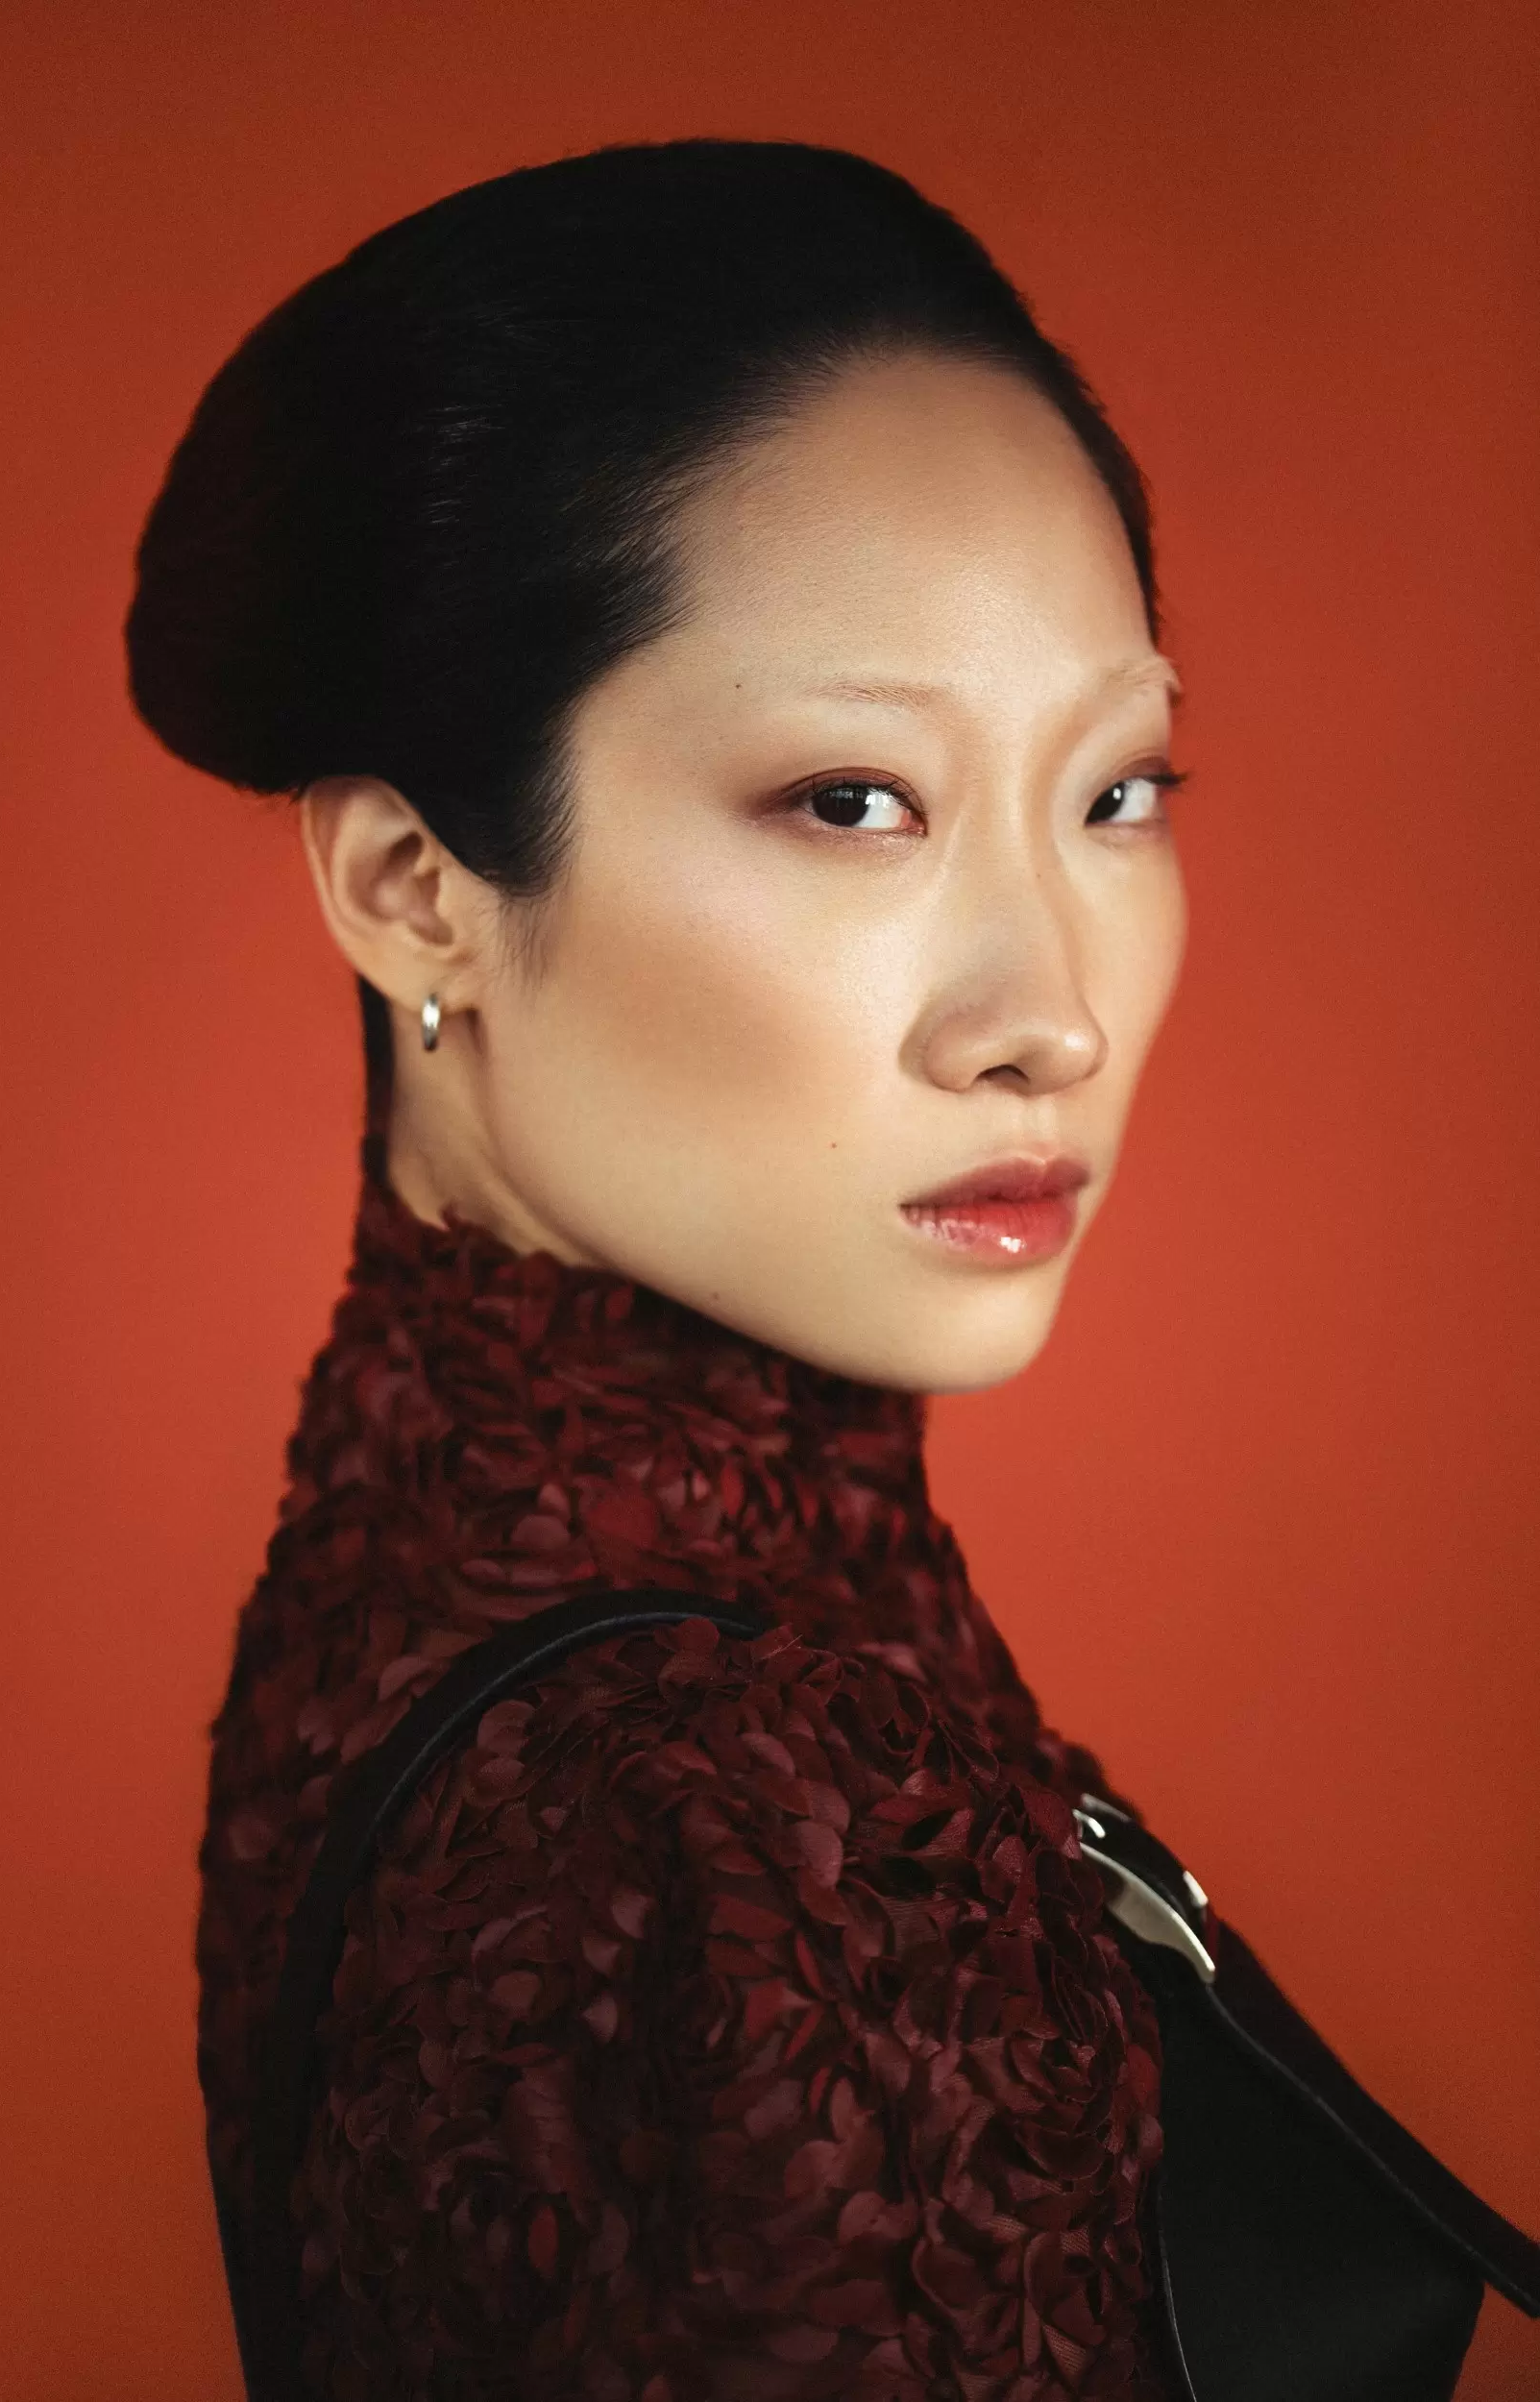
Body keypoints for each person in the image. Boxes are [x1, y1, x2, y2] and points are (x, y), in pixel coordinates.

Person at [126, 137, 1254, 2399]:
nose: (1050, 1012)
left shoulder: (429, 1539)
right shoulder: (731, 1792)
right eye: (854, 799)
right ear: (417, 888)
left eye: (1117, 790)